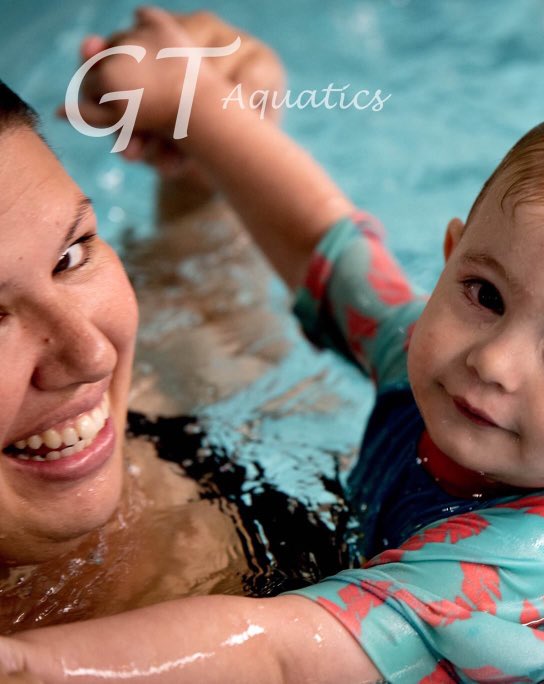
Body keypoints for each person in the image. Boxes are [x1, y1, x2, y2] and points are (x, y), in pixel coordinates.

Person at [0, 6, 544, 683]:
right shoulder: (447, 354)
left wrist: (29, 663)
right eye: (487, 295)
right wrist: (196, 103)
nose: (494, 361)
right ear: (453, 258)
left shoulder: (516, 559)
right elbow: (322, 246)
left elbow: (279, 653)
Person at [0, 13, 342, 638]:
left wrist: (211, 157)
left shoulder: (157, 409)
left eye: (70, 254)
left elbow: (207, 300)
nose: (92, 356)